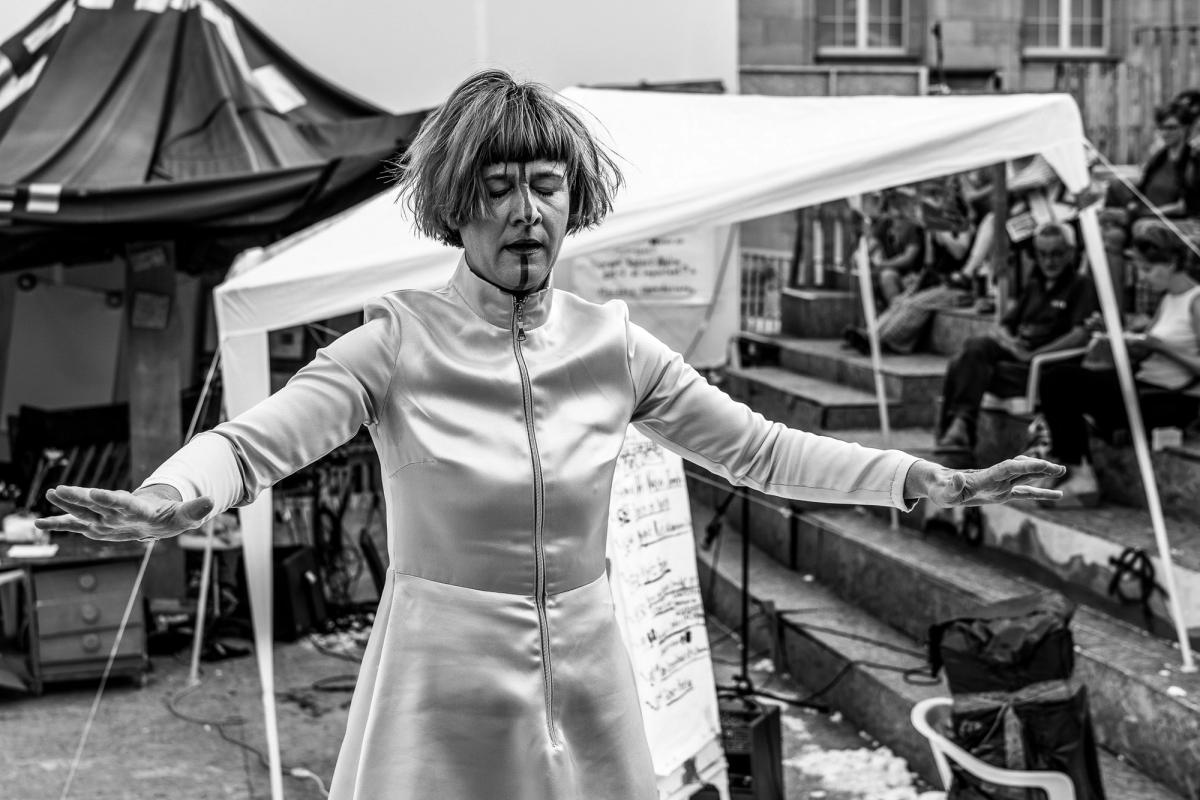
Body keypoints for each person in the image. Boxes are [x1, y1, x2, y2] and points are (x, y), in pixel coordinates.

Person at [35, 70, 1065, 800]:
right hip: (441, 679)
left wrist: (922, 480)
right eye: (497, 188)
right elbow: (256, 440)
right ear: (455, 206)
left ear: (575, 200)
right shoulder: (396, 341)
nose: (526, 210)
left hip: (588, 669)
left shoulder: (612, 344)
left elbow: (761, 448)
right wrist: (169, 496)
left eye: (545, 185)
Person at [1036, 222, 1200, 505]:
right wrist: (1116, 336)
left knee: (1061, 381)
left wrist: (1160, 347)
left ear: (1172, 263)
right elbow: (1147, 346)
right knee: (1058, 377)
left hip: (1171, 398)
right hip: (1144, 383)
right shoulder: (1168, 300)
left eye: (1148, 270)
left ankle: (1080, 473)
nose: (1144, 278)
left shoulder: (1195, 301)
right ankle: (1076, 468)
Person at [935, 221, 1096, 453]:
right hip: (1018, 355)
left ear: (1071, 253)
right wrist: (1011, 344)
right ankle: (960, 426)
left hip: (1044, 367)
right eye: (1043, 254)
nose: (1049, 261)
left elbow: (1079, 335)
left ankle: (959, 428)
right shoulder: (1034, 285)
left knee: (961, 368)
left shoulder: (1081, 286)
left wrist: (1034, 354)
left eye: (1056, 254)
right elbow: (1003, 326)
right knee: (975, 348)